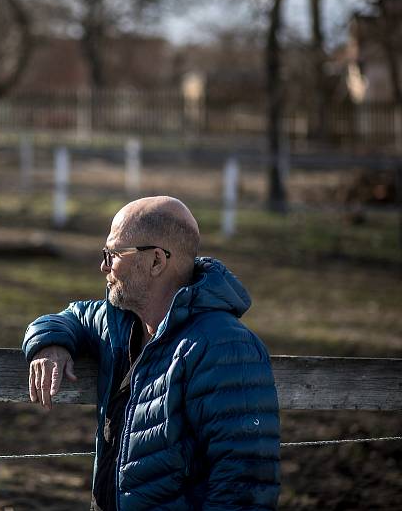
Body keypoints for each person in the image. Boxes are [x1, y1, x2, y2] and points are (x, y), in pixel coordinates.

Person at [22, 196, 280, 510]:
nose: (104, 265)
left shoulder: (225, 346)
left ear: (156, 261)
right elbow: (72, 316)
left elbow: (244, 488)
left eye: (114, 253)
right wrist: (50, 345)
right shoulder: (119, 321)